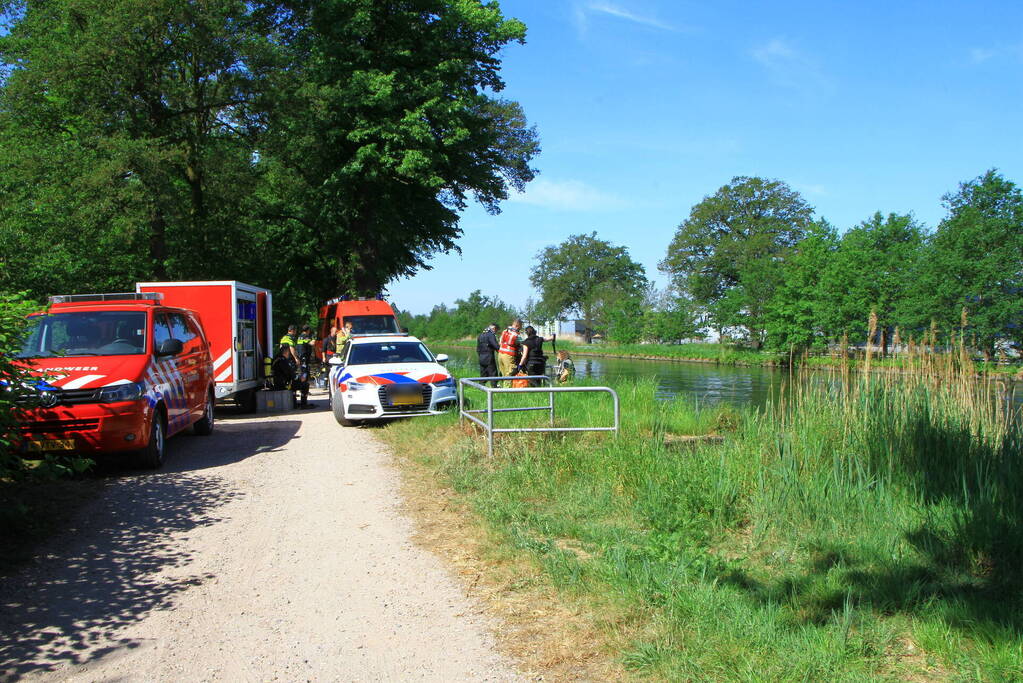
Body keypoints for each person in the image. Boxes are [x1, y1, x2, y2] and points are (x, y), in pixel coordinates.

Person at [497, 318, 523, 386]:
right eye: (521, 326)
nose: (521, 328)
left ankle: (501, 387)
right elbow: (522, 343)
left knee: (503, 372)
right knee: (509, 372)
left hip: (500, 354)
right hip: (508, 355)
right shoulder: (516, 334)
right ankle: (507, 391)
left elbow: (500, 342)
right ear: (518, 326)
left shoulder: (505, 331)